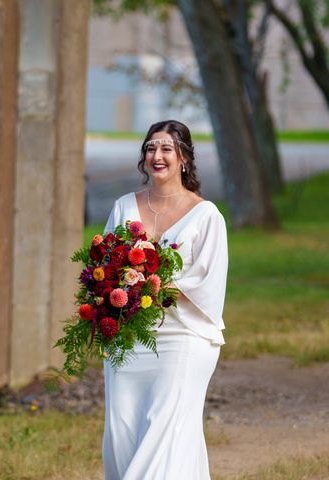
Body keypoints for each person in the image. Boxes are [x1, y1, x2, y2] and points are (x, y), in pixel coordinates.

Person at [102, 120, 229, 479]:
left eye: (167, 149)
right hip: (129, 339)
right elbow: (104, 267)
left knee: (163, 434)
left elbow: (209, 281)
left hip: (183, 338)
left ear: (184, 158)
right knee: (122, 435)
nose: (157, 156)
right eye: (150, 148)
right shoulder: (124, 207)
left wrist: (156, 287)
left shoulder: (206, 216)